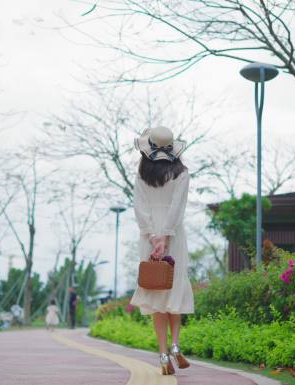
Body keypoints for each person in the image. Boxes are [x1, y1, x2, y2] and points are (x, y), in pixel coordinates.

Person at [129, 127, 194, 375]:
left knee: (157, 297)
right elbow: (178, 207)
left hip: (148, 237)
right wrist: (166, 236)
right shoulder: (182, 174)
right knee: (174, 292)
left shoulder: (141, 174)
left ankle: (163, 354)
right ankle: (176, 347)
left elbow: (139, 206)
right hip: (174, 237)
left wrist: (153, 235)